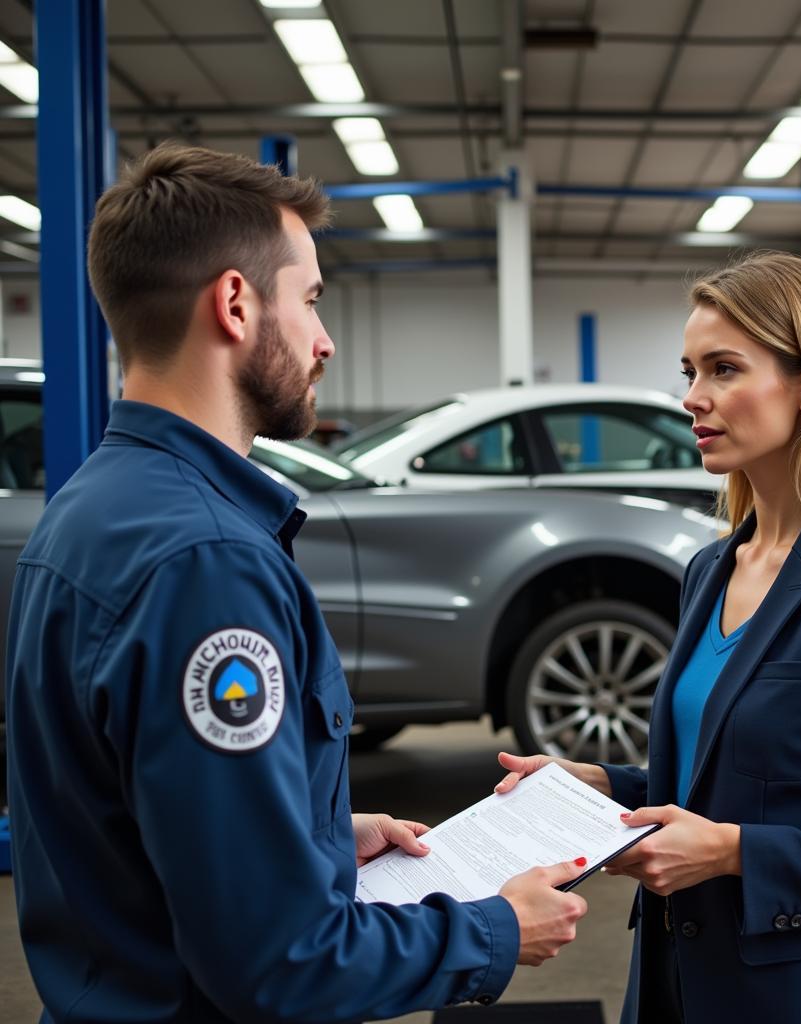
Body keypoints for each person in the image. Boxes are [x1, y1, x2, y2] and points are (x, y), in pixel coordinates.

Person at [5, 143, 587, 1023]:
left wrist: (314, 840)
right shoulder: (207, 564)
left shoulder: (91, 510)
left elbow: (126, 820)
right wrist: (495, 929)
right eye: (310, 300)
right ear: (236, 304)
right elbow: (278, 962)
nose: (325, 340)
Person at [494, 251, 801, 1023]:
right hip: (674, 984)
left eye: (723, 369)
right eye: (688, 371)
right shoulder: (711, 569)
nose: (692, 398)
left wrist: (733, 854)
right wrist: (602, 787)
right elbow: (732, 783)